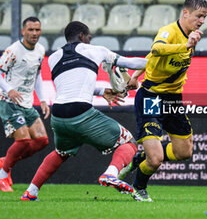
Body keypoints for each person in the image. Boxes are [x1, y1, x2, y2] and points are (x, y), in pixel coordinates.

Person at [20, 21, 147, 201]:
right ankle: (111, 174)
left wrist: (102, 91)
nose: (90, 40)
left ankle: (31, 192)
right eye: (89, 37)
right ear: (82, 36)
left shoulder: (54, 57)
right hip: (81, 112)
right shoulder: (95, 50)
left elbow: (70, 84)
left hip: (59, 115)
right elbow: (130, 62)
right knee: (129, 143)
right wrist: (156, 60)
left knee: (61, 152)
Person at [122, 0, 207, 202]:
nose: (202, 21)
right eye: (199, 16)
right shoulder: (169, 32)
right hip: (151, 97)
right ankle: (138, 188)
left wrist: (135, 76)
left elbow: (152, 59)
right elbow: (157, 49)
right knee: (156, 159)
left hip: (173, 100)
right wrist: (185, 46)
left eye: (205, 17)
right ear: (185, 13)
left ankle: (138, 159)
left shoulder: (192, 36)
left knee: (184, 151)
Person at [0, 17, 50, 192]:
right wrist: (9, 89)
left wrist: (42, 99)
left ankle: (4, 162)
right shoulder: (13, 51)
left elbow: (37, 76)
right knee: (23, 141)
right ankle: (3, 175)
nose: (34, 33)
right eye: (30, 30)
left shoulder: (40, 50)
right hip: (9, 101)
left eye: (37, 30)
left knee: (42, 140)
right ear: (23, 31)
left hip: (27, 102)